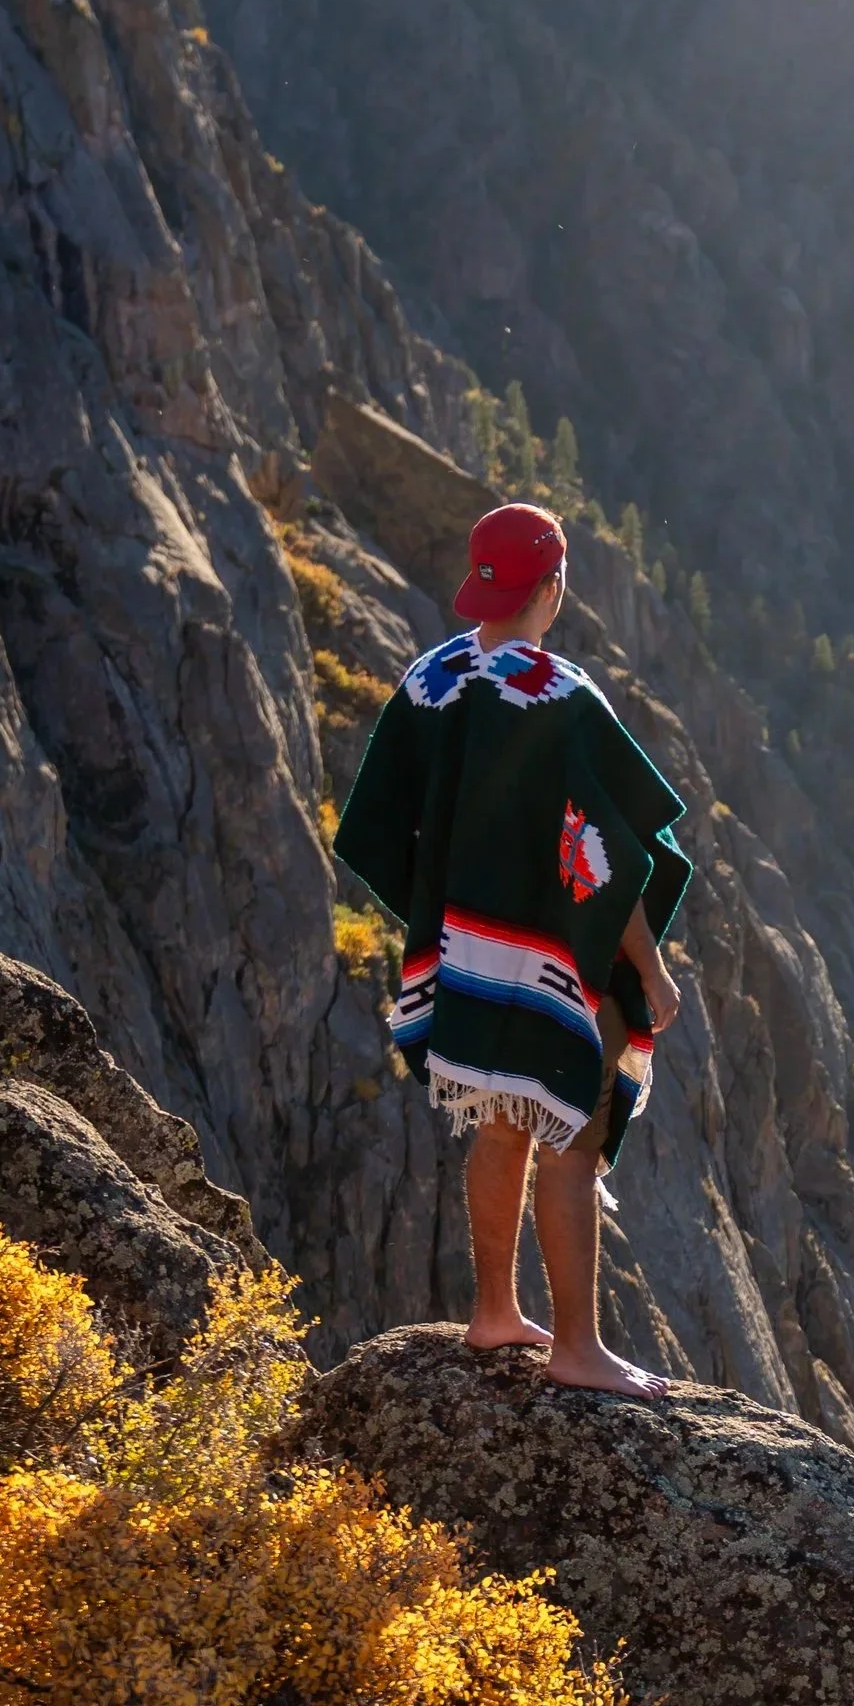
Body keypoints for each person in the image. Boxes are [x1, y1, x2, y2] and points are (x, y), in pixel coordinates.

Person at [334, 499, 691, 1396]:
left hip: (464, 955)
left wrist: (446, 910)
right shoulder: (561, 698)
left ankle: (495, 1312)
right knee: (568, 1131)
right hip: (550, 964)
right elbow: (615, 855)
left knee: (500, 1122)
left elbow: (375, 825)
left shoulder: (428, 681)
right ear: (554, 586)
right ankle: (577, 1347)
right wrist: (649, 968)